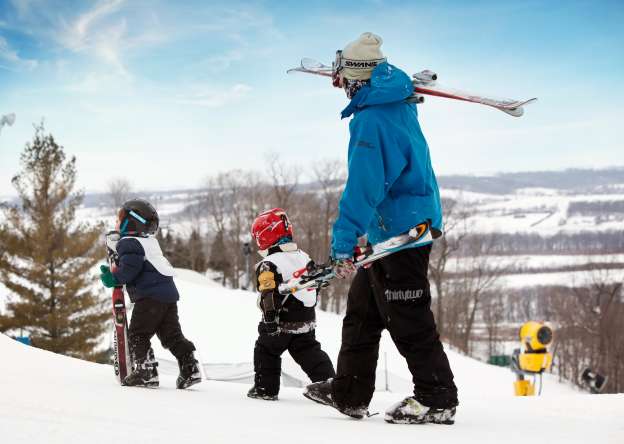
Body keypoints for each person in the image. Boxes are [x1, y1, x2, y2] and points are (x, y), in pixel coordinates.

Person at [303, 33, 458, 424]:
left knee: (407, 316)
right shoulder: (395, 100)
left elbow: (364, 187)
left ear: (355, 79)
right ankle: (350, 393)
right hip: (388, 233)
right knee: (362, 314)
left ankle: (437, 398)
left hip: (403, 234)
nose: (338, 85)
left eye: (342, 78)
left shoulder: (372, 119)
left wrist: (342, 242)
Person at [100, 198, 202, 389]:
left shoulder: (129, 243)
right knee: (172, 336)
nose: (117, 223)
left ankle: (146, 371)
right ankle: (190, 367)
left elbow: (130, 269)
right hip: (168, 297)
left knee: (138, 334)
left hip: (149, 299)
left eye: (119, 219)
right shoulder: (150, 242)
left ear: (131, 222)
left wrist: (113, 278)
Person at [247, 208, 335, 400]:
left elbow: (268, 293)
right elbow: (313, 288)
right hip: (305, 321)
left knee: (266, 351)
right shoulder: (304, 257)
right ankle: (331, 384)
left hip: (280, 322)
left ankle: (265, 390)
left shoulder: (269, 264)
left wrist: (270, 319)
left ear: (266, 235)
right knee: (309, 352)